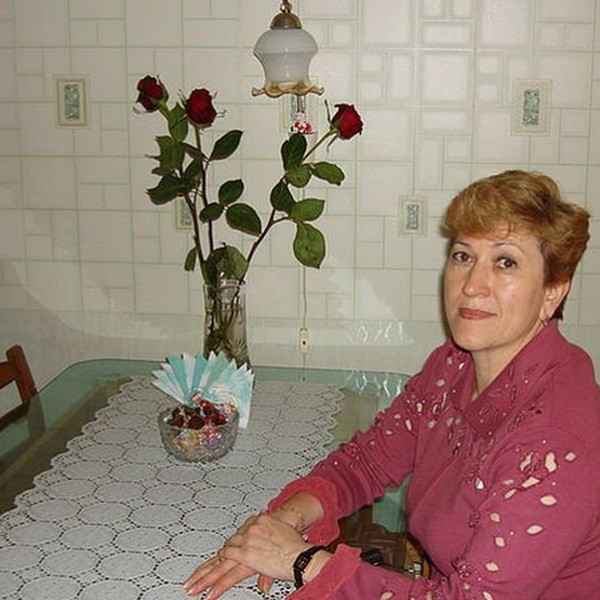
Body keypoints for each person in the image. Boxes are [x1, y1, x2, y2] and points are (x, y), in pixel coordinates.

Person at [183, 170, 600, 599]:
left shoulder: (554, 442)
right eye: (463, 255)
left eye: (505, 262)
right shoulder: (455, 364)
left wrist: (300, 560)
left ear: (553, 291)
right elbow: (369, 460)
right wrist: (283, 523)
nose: (473, 285)